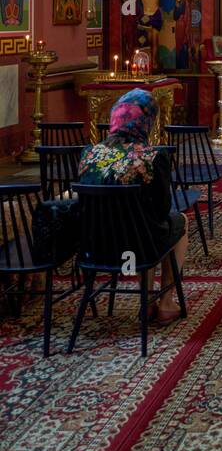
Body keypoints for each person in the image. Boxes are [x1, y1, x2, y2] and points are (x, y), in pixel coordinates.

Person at [78, 89, 188, 322]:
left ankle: (145, 300)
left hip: (93, 245)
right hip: (139, 243)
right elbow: (161, 210)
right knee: (174, 223)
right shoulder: (151, 157)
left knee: (140, 227)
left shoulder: (89, 154)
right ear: (145, 124)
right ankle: (166, 302)